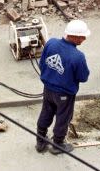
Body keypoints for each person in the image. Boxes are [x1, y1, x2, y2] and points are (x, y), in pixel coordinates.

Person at [35, 19, 91, 155]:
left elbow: (42, 64)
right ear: (75, 36)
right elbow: (83, 77)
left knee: (46, 112)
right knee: (63, 118)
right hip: (65, 94)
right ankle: (58, 144)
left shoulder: (51, 43)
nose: (84, 39)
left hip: (48, 89)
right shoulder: (78, 56)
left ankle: (40, 141)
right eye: (82, 36)